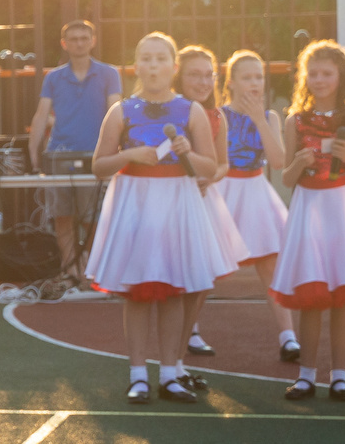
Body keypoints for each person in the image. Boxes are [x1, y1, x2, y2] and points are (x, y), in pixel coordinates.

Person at [84, 32, 228, 404]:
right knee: (137, 293)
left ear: (173, 66)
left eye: (160, 59)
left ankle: (170, 373)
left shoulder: (191, 111)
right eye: (145, 59)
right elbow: (99, 166)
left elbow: (210, 167)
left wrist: (187, 153)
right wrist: (130, 157)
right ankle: (137, 375)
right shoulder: (121, 110)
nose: (152, 66)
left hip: (177, 204)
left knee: (173, 291)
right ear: (136, 65)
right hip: (135, 203)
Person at [271, 39, 345, 404]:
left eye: (326, 73)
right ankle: (306, 376)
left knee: (341, 297)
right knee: (310, 295)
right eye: (312, 73)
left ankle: (341, 377)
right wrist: (299, 164)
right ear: (304, 77)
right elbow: (285, 178)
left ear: (341, 76)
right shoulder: (294, 121)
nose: (319, 79)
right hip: (309, 208)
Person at [213, 49, 301, 362]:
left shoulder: (269, 116)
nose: (254, 83)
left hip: (255, 189)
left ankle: (287, 336)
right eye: (247, 77)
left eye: (258, 77)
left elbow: (278, 162)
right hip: (223, 190)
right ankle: (190, 330)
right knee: (209, 262)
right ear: (231, 82)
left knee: (270, 264)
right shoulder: (218, 114)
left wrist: (257, 120)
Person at [174, 45, 249, 376]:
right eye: (194, 74)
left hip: (204, 202)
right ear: (179, 75)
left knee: (202, 278)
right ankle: (171, 359)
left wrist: (209, 178)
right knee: (174, 277)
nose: (203, 81)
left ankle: (184, 340)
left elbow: (222, 165)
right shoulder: (170, 112)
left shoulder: (217, 116)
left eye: (209, 75)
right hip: (172, 202)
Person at [28, 19, 123, 277]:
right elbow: (41, 115)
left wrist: (119, 150)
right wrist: (34, 153)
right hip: (60, 155)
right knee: (63, 217)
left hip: (96, 156)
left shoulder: (109, 73)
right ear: (64, 44)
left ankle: (93, 270)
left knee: (93, 218)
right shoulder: (54, 77)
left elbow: (117, 111)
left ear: (93, 41)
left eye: (84, 38)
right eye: (74, 39)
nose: (79, 43)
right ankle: (72, 270)